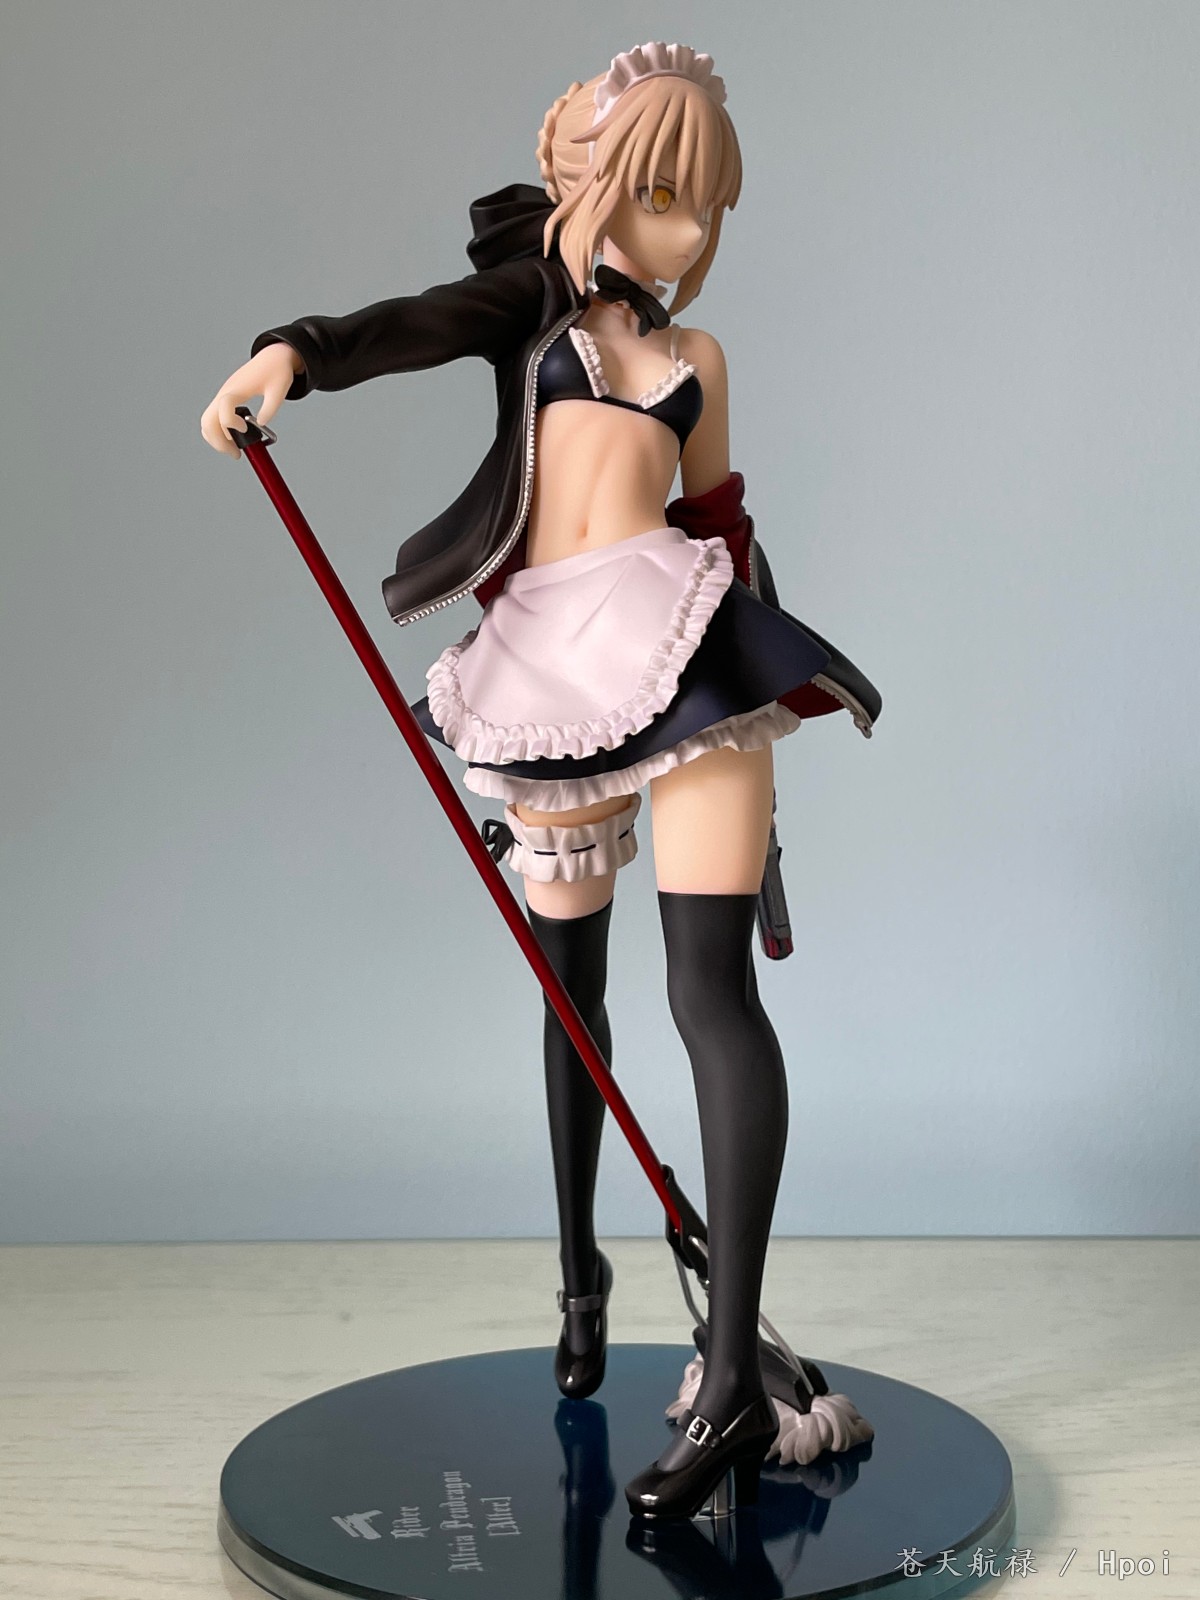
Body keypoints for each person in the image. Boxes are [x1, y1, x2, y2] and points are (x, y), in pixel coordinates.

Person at [201, 39, 880, 1520]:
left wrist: (769, 681)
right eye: (662, 198)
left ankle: (728, 1378)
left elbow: (719, 517)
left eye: (706, 209)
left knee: (713, 991)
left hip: (691, 649)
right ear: (595, 187)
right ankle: (581, 1275)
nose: (686, 236)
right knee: (572, 991)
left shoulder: (699, 363)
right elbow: (413, 323)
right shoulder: (537, 313)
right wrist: (291, 355)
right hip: (551, 674)